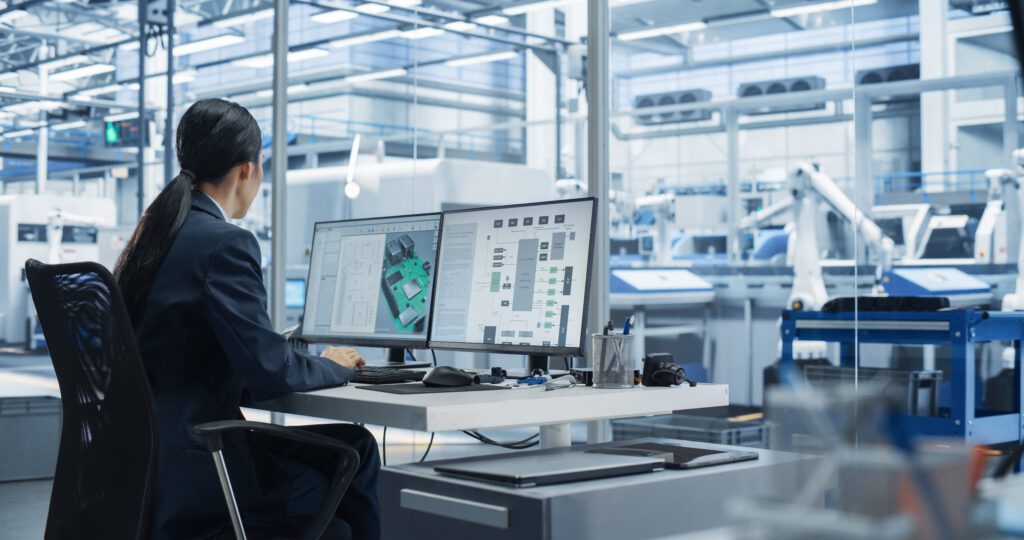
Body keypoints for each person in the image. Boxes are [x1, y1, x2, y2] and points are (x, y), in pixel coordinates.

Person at [114, 98, 381, 540]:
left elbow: (193, 353)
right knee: (358, 450)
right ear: (246, 169)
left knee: (348, 451)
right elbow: (270, 368)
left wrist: (277, 354)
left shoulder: (156, 237)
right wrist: (333, 363)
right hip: (202, 467)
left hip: (146, 463)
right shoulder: (225, 242)